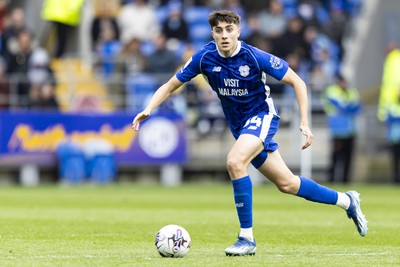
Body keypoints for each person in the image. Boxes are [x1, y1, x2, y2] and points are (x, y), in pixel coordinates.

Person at [132, 10, 368, 256]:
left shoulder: (254, 56)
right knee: (287, 184)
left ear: (238, 31)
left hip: (262, 116)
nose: (224, 35)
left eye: (229, 29)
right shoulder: (204, 58)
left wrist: (305, 123)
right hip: (240, 127)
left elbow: (298, 82)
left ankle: (246, 238)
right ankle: (347, 201)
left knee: (235, 162)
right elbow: (171, 84)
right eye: (219, 30)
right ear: (212, 33)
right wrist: (148, 109)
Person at [322, 74, 361, 183]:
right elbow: (344, 107)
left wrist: (349, 107)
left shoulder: (351, 92)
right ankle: (332, 180)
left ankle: (345, 181)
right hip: (338, 131)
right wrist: (350, 107)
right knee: (335, 158)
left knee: (348, 158)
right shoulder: (331, 91)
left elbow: (358, 107)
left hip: (350, 130)